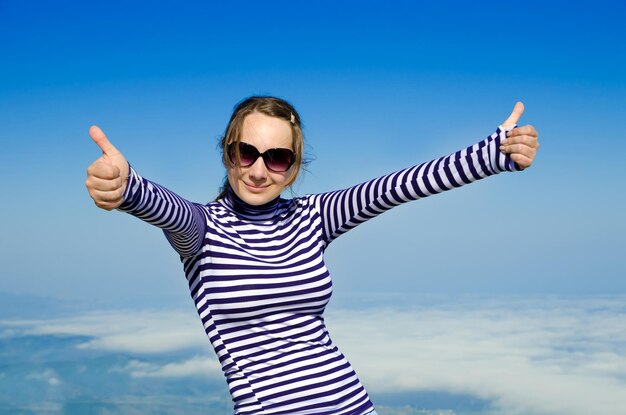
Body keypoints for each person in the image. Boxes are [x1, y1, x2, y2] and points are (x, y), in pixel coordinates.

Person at [85, 96, 539, 415]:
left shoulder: (315, 216)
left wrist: (493, 155)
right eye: (246, 153)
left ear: (294, 165)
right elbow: (162, 206)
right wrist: (124, 186)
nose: (258, 170)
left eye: (277, 158)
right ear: (227, 153)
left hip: (353, 405)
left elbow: (402, 185)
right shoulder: (202, 231)